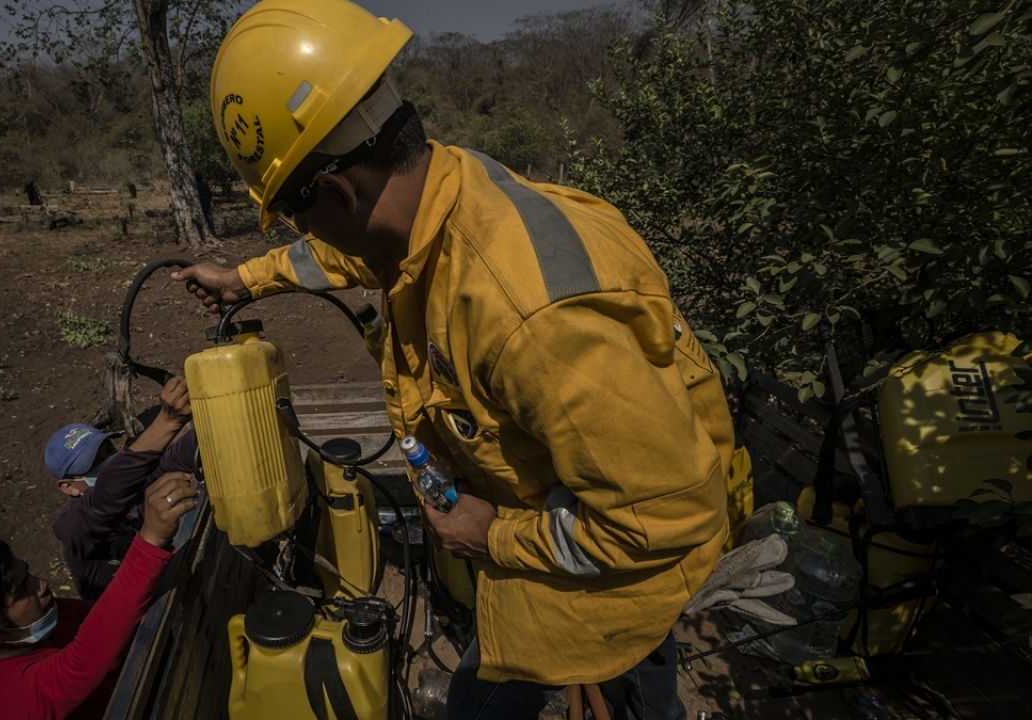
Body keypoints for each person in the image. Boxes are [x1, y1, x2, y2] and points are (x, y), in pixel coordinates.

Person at [173, 1, 734, 719]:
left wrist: (489, 533)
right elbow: (340, 251)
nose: (305, 233)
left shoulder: (528, 315)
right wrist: (245, 278)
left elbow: (662, 521)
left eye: (295, 212)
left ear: (340, 189)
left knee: (535, 697)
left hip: (614, 570)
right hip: (569, 509)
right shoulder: (442, 192)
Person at [0, 472, 199, 720]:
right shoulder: (7, 702)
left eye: (28, 574)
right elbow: (83, 660)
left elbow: (106, 622)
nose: (42, 584)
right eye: (22, 590)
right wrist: (150, 541)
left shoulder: (44, 615)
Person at [46, 375, 197, 600]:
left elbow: (172, 459)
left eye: (108, 451)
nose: (108, 462)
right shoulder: (74, 526)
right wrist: (167, 421)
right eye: (93, 464)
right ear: (68, 487)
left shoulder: (133, 481)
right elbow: (106, 496)